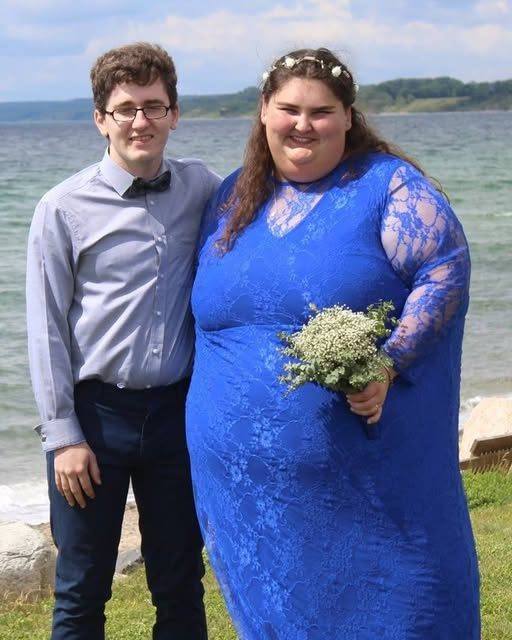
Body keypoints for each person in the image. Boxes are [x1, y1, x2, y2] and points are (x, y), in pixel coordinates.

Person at [186, 48, 480, 639]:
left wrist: (389, 362)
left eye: (321, 111)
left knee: (396, 611)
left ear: (348, 116)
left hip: (363, 489)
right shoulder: (234, 195)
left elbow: (444, 269)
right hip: (245, 492)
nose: (303, 124)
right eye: (288, 109)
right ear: (263, 111)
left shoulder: (388, 187)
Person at [26, 42, 220, 640]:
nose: (141, 121)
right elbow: (46, 330)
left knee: (181, 583)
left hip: (176, 418)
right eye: (125, 108)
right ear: (100, 119)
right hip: (94, 421)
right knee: (81, 590)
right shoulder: (61, 208)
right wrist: (64, 437)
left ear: (174, 114)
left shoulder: (203, 188)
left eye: (154, 106)